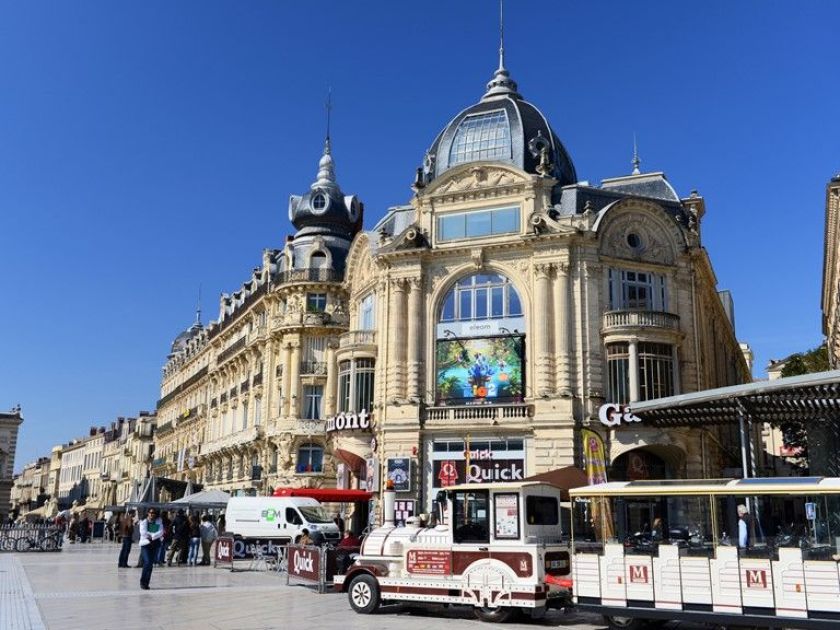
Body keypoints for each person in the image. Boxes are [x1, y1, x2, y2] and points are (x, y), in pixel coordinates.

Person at [139, 509, 164, 590]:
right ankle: (143, 581)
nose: (151, 514)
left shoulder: (159, 521)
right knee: (147, 562)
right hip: (145, 544)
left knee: (150, 564)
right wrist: (153, 535)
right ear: (148, 513)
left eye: (153, 513)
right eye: (150, 513)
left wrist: (152, 536)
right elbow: (143, 532)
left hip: (154, 544)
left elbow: (161, 532)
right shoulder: (144, 521)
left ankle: (146, 583)